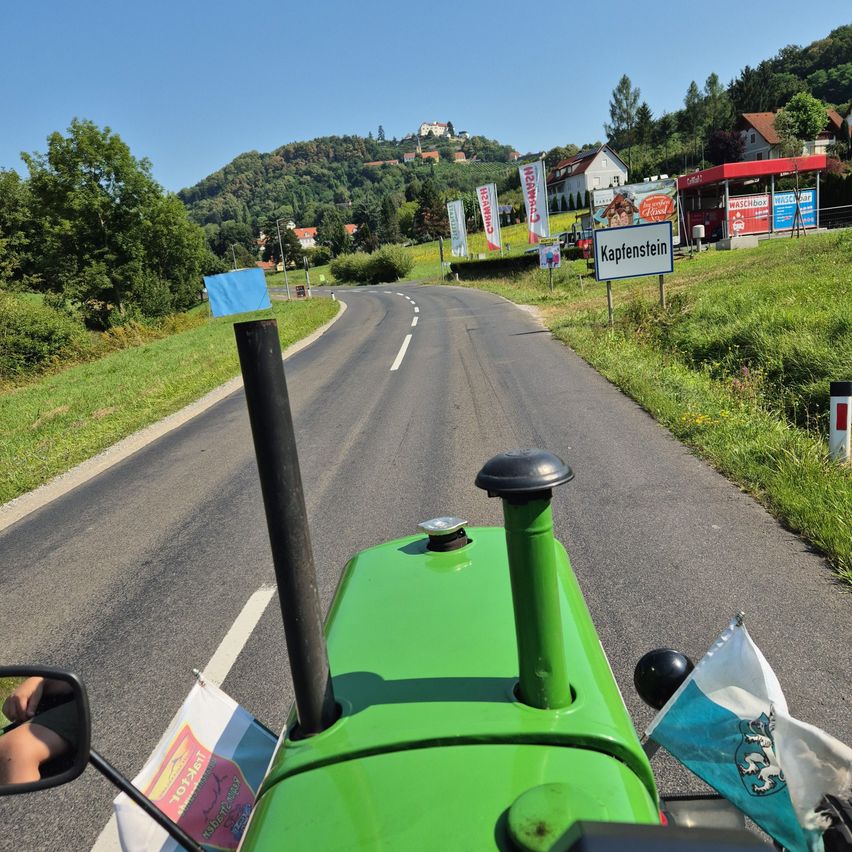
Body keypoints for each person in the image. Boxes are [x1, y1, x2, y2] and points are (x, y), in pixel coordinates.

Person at [0, 677, 77, 785]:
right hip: (79, 689)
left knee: (15, 749)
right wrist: (41, 680)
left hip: (89, 704)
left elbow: (18, 748)